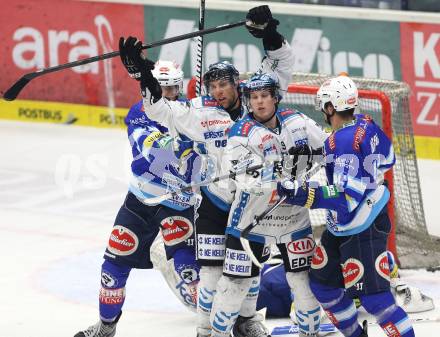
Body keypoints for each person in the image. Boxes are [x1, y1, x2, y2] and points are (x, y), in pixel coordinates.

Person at [119, 6, 294, 337]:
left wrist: (269, 35)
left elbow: (281, 66)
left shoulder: (259, 101)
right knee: (212, 272)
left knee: (250, 270)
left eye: (223, 84)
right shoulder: (200, 112)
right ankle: (205, 329)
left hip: (255, 202)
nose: (217, 92)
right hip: (215, 201)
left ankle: (247, 321)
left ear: (237, 85)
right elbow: (158, 110)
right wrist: (144, 75)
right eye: (211, 86)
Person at [74, 57, 204, 337]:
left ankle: (214, 325)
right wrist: (177, 146)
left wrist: (198, 145)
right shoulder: (138, 113)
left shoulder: (189, 114)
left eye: (173, 88)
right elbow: (149, 155)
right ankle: (106, 326)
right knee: (113, 266)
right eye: (162, 88)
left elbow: (205, 153)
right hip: (140, 201)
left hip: (178, 204)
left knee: (187, 269)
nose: (168, 94)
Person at [277, 75, 415, 337]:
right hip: (348, 224)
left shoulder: (342, 142)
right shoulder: (366, 124)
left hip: (363, 227)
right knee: (323, 286)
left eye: (323, 106)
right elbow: (387, 159)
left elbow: (345, 201)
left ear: (330, 107)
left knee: (375, 300)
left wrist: (305, 193)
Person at [214, 73, 328, 337]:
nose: (260, 102)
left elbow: (327, 146)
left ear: (275, 97)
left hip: (293, 218)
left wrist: (318, 155)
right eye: (254, 97)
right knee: (234, 287)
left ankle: (309, 333)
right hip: (251, 221)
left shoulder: (297, 122)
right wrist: (290, 165)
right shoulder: (240, 133)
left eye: (265, 96)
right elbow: (248, 180)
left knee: (303, 283)